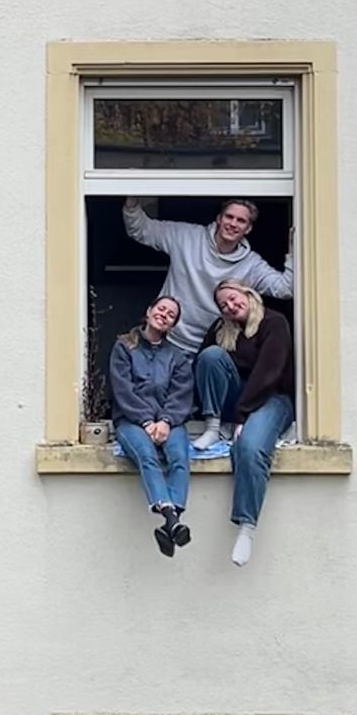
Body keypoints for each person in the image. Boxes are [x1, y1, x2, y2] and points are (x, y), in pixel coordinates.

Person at [192, 283, 296, 565]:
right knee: (211, 355)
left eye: (232, 298)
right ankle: (213, 427)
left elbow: (268, 373)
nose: (229, 306)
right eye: (222, 305)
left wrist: (242, 415)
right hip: (238, 402)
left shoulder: (273, 322)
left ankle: (246, 528)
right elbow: (202, 368)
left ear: (248, 294)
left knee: (250, 447)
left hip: (273, 398)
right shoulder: (221, 328)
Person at [122, 197, 293, 357]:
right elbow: (140, 229)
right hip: (168, 340)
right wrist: (132, 198)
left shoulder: (251, 265)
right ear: (219, 218)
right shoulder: (186, 237)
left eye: (241, 220)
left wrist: (295, 249)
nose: (233, 224)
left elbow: (285, 289)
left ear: (248, 229)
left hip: (212, 349)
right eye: (229, 217)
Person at [109, 295, 193, 556]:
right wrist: (146, 421)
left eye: (171, 315)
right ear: (148, 311)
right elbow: (123, 390)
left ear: (173, 325)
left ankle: (170, 522)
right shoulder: (124, 347)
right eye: (161, 309)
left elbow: (181, 395)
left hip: (169, 422)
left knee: (179, 457)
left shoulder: (177, 357)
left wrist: (166, 421)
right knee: (147, 456)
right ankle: (172, 519)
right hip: (131, 420)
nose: (164, 315)